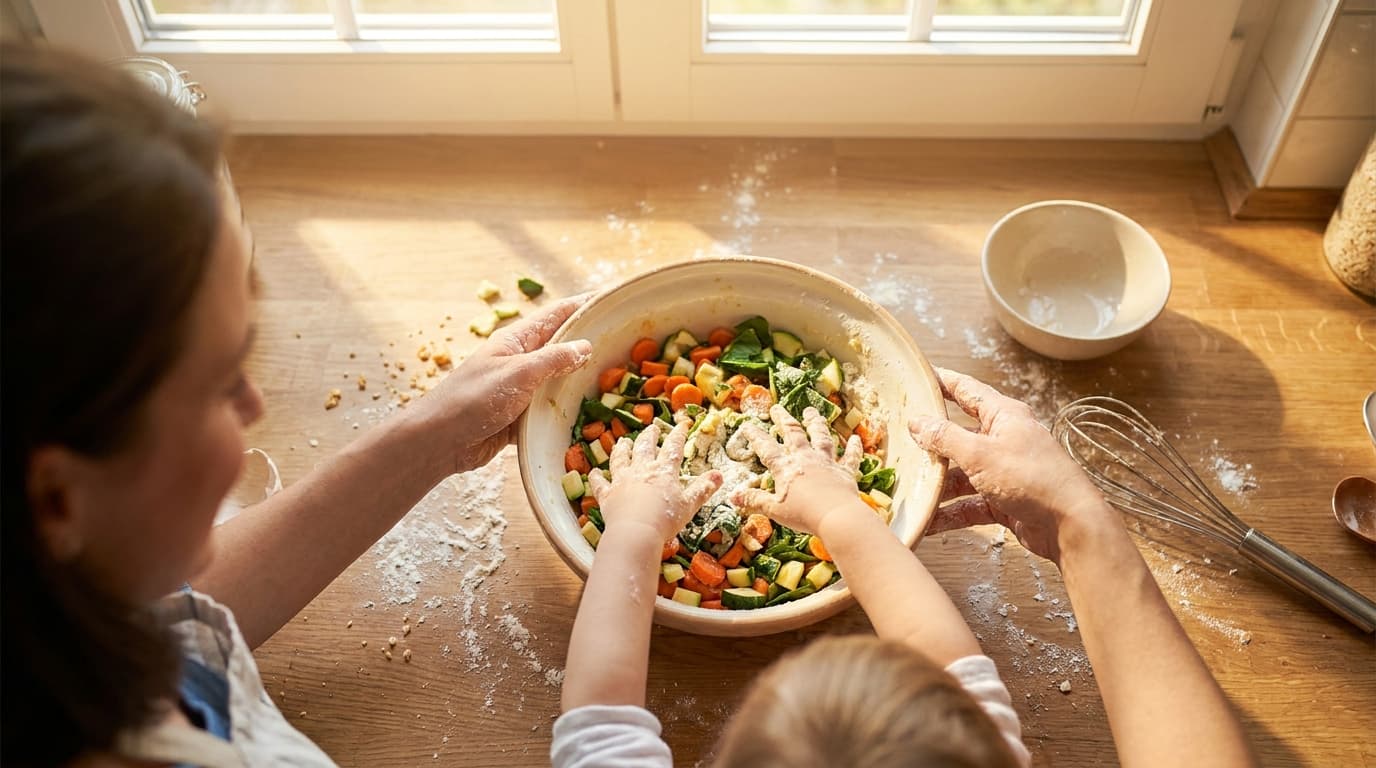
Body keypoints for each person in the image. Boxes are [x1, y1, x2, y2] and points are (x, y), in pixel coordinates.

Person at [1, 45, 592, 766]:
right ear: (57, 497)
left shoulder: (57, 604)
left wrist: (435, 434)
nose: (254, 404)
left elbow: (168, 622)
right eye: (221, 382)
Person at [553, 369, 1258, 767]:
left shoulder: (975, 739)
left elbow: (598, 707)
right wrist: (1074, 517)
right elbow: (942, 656)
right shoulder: (973, 751)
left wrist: (634, 530)